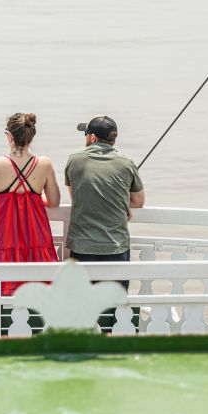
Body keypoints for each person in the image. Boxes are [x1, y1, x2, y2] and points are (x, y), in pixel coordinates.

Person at [64, 115, 145, 331]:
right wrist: (121, 202)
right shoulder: (127, 162)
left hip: (82, 246)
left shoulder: (75, 160)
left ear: (92, 138)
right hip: (115, 246)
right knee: (115, 305)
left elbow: (76, 196)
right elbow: (138, 201)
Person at [0, 113, 61, 296]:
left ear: (9, 136)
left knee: (0, 283)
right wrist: (33, 199)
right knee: (38, 285)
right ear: (31, 137)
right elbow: (55, 201)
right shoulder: (44, 164)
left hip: (3, 235)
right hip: (35, 234)